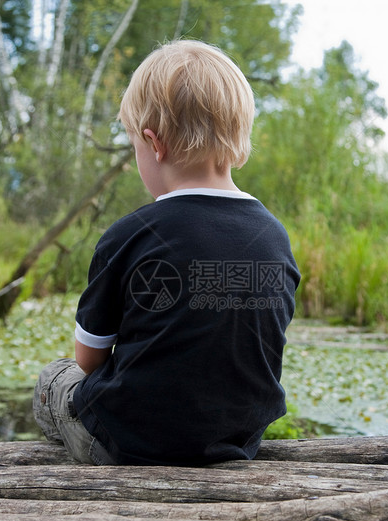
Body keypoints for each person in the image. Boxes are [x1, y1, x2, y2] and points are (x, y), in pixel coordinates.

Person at [33, 39, 300, 466]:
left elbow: (89, 360)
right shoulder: (274, 236)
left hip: (128, 446)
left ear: (153, 144)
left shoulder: (129, 234)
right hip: (235, 441)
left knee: (54, 378)